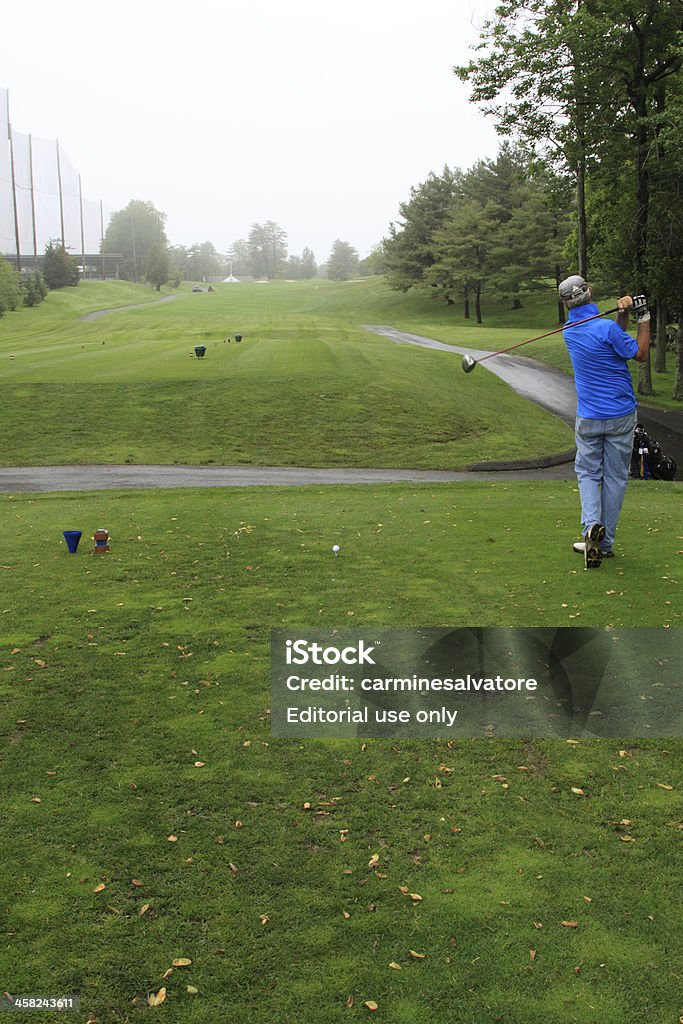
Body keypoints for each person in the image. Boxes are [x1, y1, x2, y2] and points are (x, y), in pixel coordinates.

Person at [557, 275, 650, 568]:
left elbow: (614, 340)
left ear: (565, 303)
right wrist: (643, 315)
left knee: (587, 473)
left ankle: (590, 528)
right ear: (590, 292)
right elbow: (640, 353)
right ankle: (604, 542)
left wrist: (621, 315)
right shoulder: (606, 329)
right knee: (614, 477)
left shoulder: (569, 331)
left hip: (589, 417)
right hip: (621, 415)